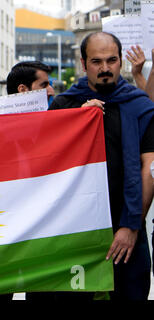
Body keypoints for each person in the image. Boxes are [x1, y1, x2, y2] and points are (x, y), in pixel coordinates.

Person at [49, 32, 154, 300]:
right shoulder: (64, 106)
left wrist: (131, 227)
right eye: (96, 62)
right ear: (84, 64)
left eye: (112, 60)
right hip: (75, 234)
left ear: (121, 62)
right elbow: (47, 164)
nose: (105, 69)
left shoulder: (139, 106)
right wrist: (77, 122)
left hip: (127, 230)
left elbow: (149, 167)